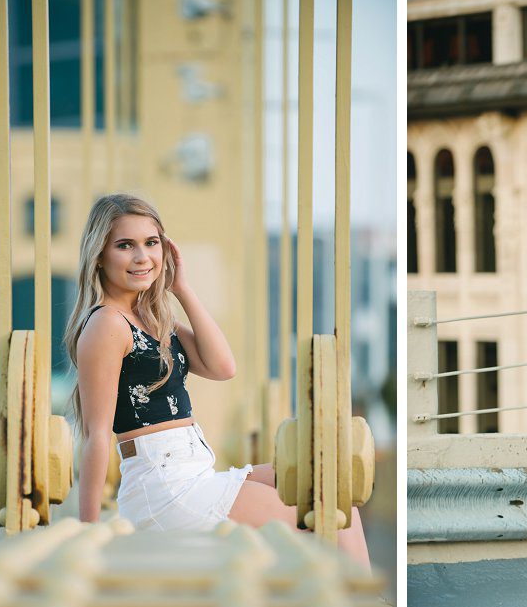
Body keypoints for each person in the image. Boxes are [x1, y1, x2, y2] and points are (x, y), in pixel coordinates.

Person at [63, 191, 370, 563]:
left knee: (332, 488)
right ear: (100, 256)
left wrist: (182, 288)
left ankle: (362, 604)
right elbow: (96, 435)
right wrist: (87, 532)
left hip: (198, 476)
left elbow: (223, 367)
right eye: (125, 245)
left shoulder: (153, 319)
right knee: (327, 517)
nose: (143, 257)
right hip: (166, 490)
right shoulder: (106, 324)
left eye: (151, 243)